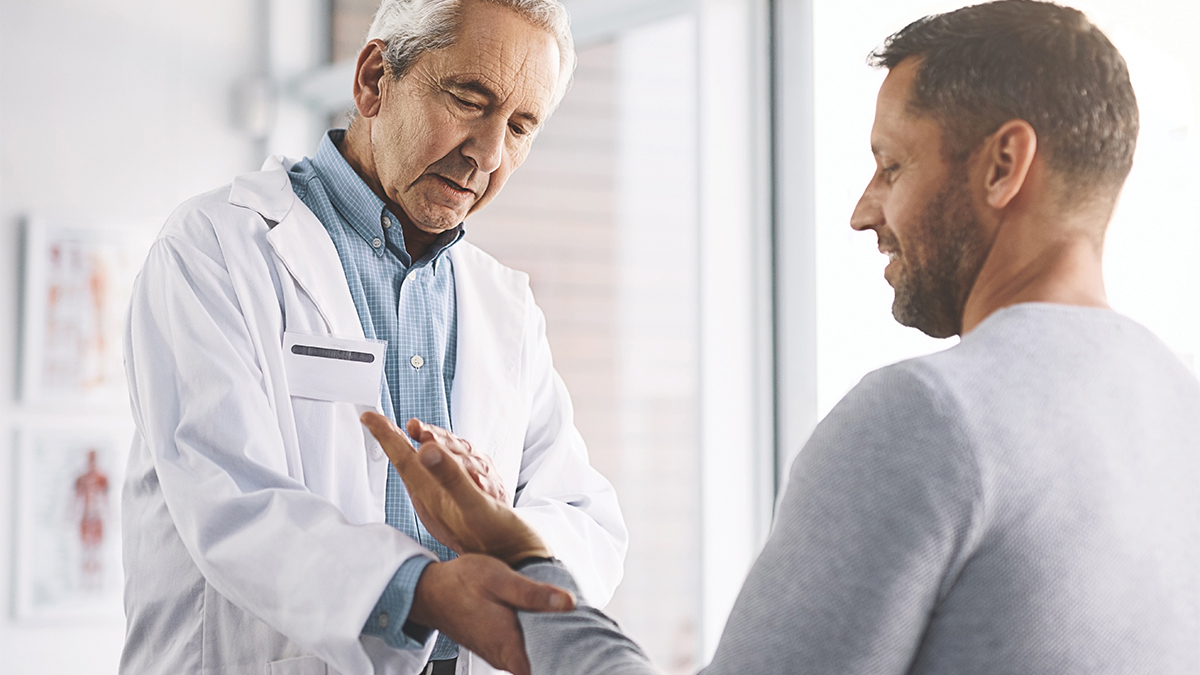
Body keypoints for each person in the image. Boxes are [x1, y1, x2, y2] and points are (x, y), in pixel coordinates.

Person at [362, 1, 1200, 673]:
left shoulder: (929, 419)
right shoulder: (1175, 407)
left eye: (893, 164)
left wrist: (522, 561)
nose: (864, 209)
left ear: (1003, 165)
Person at [119, 1, 627, 674]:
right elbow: (229, 498)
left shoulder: (504, 307)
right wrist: (428, 594)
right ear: (373, 80)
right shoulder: (216, 248)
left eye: (521, 126)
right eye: (470, 99)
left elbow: (585, 517)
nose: (489, 152)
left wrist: (500, 539)